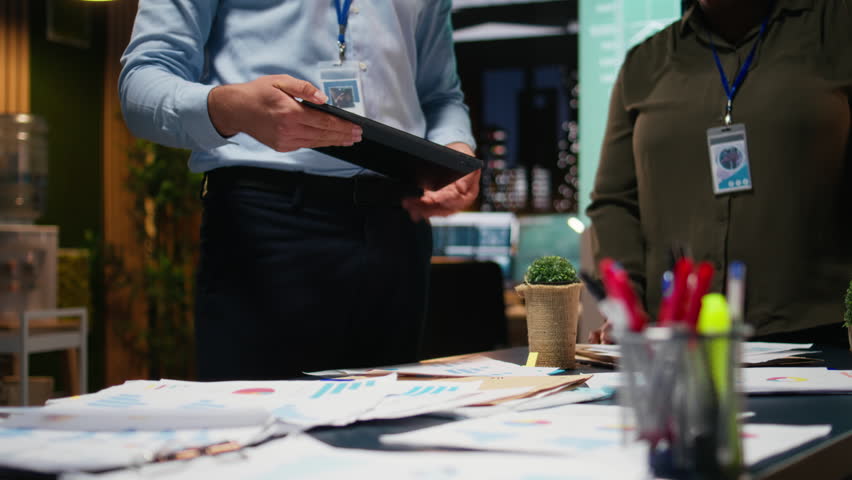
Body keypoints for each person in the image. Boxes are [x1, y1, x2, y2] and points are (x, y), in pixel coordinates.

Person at [119, 0, 480, 380]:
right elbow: (141, 84)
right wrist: (231, 107)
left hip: (399, 227)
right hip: (266, 224)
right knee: (252, 426)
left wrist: (454, 147)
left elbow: (440, 95)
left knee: (394, 422)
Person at [587, 0, 851, 346]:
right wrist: (626, 304)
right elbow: (614, 202)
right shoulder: (644, 63)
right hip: (672, 341)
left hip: (821, 337)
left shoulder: (837, 28)